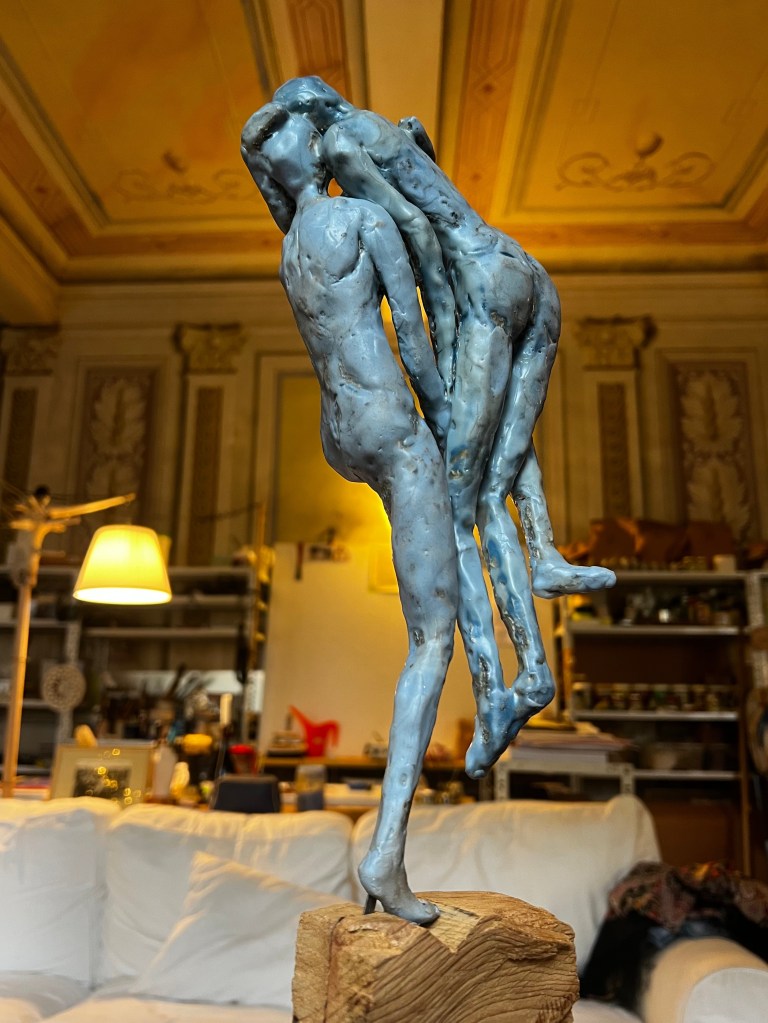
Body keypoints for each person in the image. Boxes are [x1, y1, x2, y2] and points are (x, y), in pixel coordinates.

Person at [272, 77, 616, 777]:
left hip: (483, 293)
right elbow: (428, 175)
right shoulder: (382, 126)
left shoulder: (344, 145)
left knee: (465, 507)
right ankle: (544, 553)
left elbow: (423, 240)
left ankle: (512, 686)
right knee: (507, 455)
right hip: (524, 271)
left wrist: (446, 341)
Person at [241, 103, 458, 925]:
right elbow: (415, 335)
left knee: (433, 601)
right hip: (388, 422)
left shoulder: (291, 243)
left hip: (339, 432)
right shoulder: (361, 219)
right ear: (316, 151)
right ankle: (387, 851)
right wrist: (450, 425)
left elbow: (260, 148)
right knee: (431, 638)